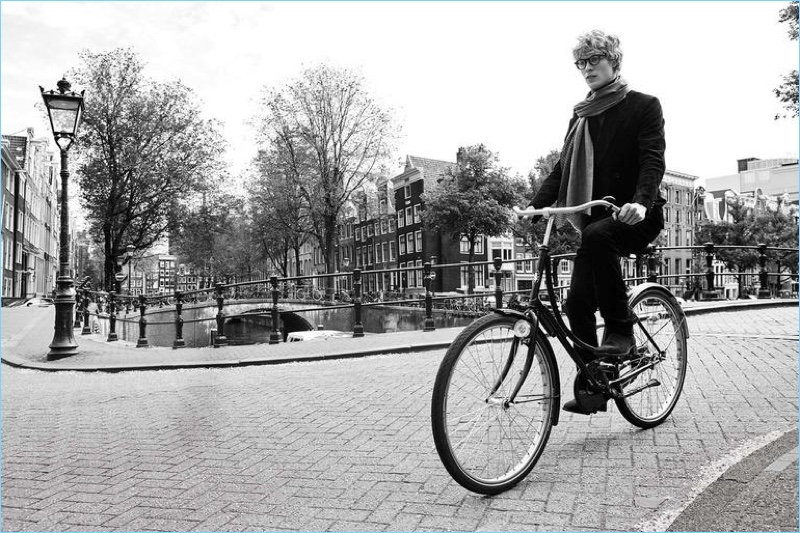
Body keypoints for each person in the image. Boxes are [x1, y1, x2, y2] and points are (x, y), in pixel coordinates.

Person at [530, 30, 666, 414]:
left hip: (637, 215)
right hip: (596, 222)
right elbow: (563, 167)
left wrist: (640, 202)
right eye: (581, 63)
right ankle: (597, 382)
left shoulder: (644, 106)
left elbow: (653, 160)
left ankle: (621, 330)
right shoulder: (581, 114)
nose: (587, 69)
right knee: (575, 305)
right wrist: (533, 206)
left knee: (602, 234)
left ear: (613, 62)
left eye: (594, 60)